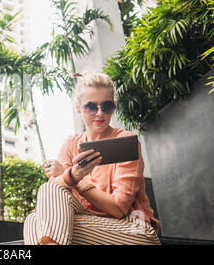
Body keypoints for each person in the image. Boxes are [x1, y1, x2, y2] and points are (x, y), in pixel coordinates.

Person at [23, 70, 160, 245]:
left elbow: (118, 209)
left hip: (133, 230)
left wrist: (74, 177)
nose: (100, 113)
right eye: (91, 106)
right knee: (34, 218)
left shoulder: (124, 141)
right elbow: (52, 197)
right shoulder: (71, 144)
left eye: (107, 106)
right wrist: (70, 175)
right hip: (90, 226)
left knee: (38, 223)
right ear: (79, 107)